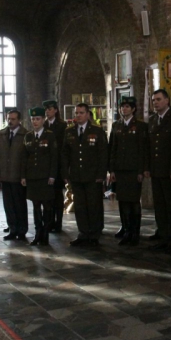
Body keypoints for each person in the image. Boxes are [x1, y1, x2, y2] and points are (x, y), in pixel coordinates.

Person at [61, 103, 108, 247]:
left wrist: (101, 174)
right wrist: (65, 173)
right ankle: (83, 233)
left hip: (93, 175)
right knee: (80, 206)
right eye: (76, 113)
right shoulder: (69, 132)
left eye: (81, 113)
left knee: (94, 206)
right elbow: (65, 155)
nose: (78, 115)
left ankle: (94, 234)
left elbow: (103, 154)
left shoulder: (97, 131)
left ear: (88, 114)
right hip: (76, 175)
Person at [108, 96, 149, 245]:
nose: (123, 109)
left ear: (133, 109)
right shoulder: (116, 125)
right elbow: (113, 148)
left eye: (127, 106)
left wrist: (141, 170)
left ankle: (134, 232)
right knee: (122, 201)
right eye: (122, 106)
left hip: (133, 170)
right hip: (120, 169)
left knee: (133, 202)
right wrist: (111, 169)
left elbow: (142, 150)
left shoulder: (140, 126)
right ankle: (125, 228)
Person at [145, 89, 171, 252]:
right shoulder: (152, 120)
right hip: (156, 170)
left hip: (168, 170)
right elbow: (149, 147)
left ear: (167, 101)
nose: (156, 102)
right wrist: (147, 167)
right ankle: (163, 236)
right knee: (159, 206)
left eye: (158, 99)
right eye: (154, 100)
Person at [21, 107, 58, 247]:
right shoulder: (28, 136)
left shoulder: (50, 135)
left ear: (43, 120)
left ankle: (45, 234)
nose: (35, 122)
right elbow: (24, 157)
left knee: (47, 207)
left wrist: (52, 175)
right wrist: (23, 175)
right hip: (33, 177)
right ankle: (38, 233)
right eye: (33, 119)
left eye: (38, 119)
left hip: (45, 177)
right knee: (36, 206)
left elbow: (54, 157)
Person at [0, 109, 29, 242]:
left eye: (13, 119)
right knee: (8, 205)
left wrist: (24, 175)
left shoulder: (25, 135)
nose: (10, 121)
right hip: (5, 176)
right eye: (9, 118)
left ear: (19, 120)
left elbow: (27, 157)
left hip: (18, 177)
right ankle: (12, 228)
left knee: (20, 204)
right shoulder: (0, 135)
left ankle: (22, 230)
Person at [43, 99, 68, 232]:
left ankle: (58, 222)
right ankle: (49, 221)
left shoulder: (62, 126)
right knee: (48, 196)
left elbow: (63, 148)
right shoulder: (43, 125)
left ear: (56, 110)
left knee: (58, 196)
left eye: (50, 109)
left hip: (57, 166)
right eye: (46, 109)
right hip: (46, 166)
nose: (47, 111)